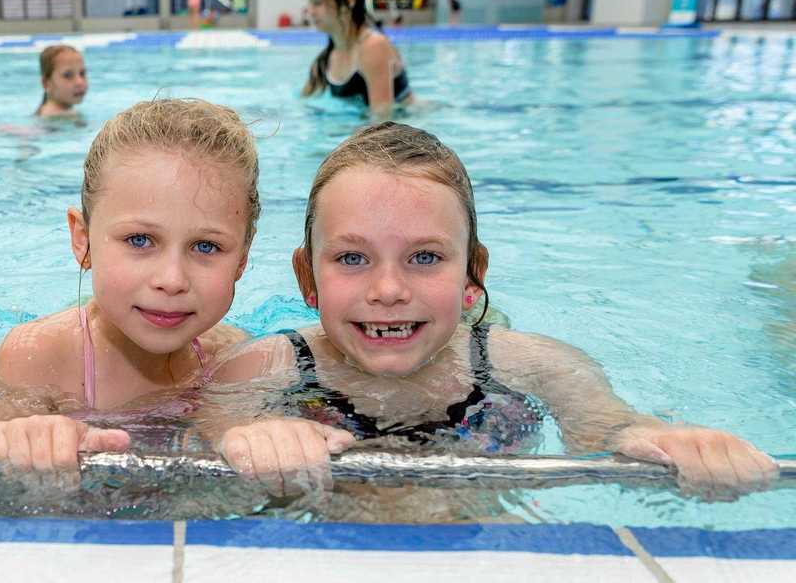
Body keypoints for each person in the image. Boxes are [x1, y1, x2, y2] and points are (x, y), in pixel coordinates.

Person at [216, 123, 777, 500]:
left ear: (472, 274)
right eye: (353, 258)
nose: (388, 289)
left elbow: (609, 430)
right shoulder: (264, 367)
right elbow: (209, 439)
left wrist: (674, 445)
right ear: (308, 279)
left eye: (426, 257)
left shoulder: (537, 366)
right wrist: (248, 440)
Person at [0, 98, 270, 481]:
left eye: (206, 247)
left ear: (243, 260)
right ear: (83, 240)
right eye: (140, 240)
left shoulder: (233, 360)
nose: (172, 279)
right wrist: (23, 438)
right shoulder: (37, 357)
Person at [302, 0, 415, 119]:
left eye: (318, 2)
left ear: (348, 1)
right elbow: (301, 104)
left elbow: (383, 120)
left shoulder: (373, 46)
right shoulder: (324, 62)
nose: (310, 11)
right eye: (310, 2)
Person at [35, 44, 88, 118]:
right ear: (46, 83)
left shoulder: (44, 111)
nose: (79, 82)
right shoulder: (59, 116)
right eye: (68, 75)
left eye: (82, 74)